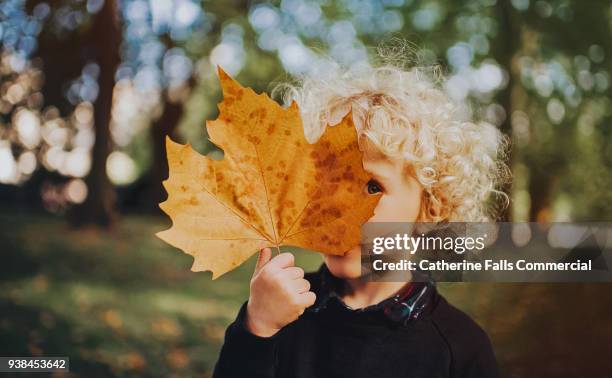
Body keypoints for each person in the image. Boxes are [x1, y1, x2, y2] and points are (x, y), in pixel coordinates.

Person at [212, 44, 511, 378]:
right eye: (324, 181)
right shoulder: (279, 312)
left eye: (372, 187)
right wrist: (258, 329)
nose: (338, 205)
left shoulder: (460, 349)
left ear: (432, 205)